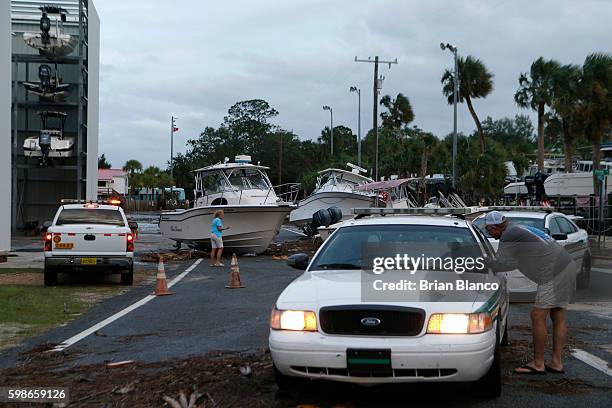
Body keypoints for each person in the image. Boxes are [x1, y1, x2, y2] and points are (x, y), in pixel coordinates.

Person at [484, 211, 577, 375]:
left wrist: (482, 263)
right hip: (566, 264)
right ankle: (556, 362)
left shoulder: (508, 235)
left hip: (553, 271)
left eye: (489, 230)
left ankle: (538, 363)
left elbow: (505, 264)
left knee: (537, 315)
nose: (488, 233)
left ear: (495, 227)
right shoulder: (518, 228)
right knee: (558, 314)